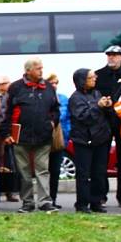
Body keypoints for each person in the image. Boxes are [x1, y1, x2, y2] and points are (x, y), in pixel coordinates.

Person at [0, 58, 60, 213]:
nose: (41, 71)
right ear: (28, 71)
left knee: (43, 170)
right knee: (24, 172)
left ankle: (45, 202)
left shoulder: (48, 87)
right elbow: (6, 111)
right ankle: (27, 202)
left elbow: (55, 109)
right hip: (20, 137)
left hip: (43, 136)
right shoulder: (15, 88)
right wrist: (6, 133)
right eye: (38, 68)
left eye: (42, 68)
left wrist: (52, 123)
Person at [69, 69, 113, 213]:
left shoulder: (96, 93)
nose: (95, 79)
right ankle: (82, 204)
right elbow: (83, 117)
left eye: (94, 76)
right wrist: (98, 106)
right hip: (84, 140)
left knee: (99, 172)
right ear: (82, 80)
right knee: (84, 174)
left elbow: (104, 114)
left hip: (101, 139)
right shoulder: (75, 98)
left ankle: (96, 201)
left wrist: (107, 106)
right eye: (91, 77)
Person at [94, 45, 121, 206]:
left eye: (115, 55)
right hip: (103, 122)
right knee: (101, 160)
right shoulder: (99, 75)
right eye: (109, 55)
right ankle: (100, 195)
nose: (112, 57)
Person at [0, 75, 19, 204]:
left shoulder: (14, 95)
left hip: (11, 134)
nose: (8, 85)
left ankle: (11, 192)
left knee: (11, 166)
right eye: (5, 83)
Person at [46, 72, 70, 209]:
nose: (54, 85)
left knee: (55, 171)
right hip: (44, 138)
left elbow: (66, 116)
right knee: (43, 171)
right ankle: (45, 199)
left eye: (56, 82)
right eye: (51, 82)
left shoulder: (63, 98)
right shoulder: (43, 98)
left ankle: (53, 199)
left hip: (60, 139)